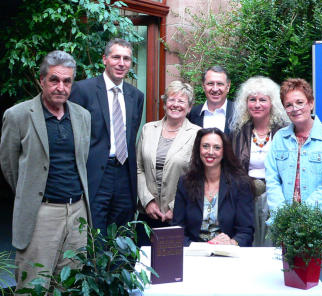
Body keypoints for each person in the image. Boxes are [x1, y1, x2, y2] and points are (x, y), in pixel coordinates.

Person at [0, 51, 91, 290]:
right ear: (42, 81)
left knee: (69, 285)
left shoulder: (83, 116)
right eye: (54, 80)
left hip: (77, 213)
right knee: (34, 285)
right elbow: (9, 166)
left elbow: (82, 161)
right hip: (41, 213)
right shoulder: (17, 115)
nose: (60, 87)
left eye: (67, 81)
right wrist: (32, 192)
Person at [265, 78, 322, 289]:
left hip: (320, 223)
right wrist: (285, 217)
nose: (295, 108)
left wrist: (302, 218)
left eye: (300, 102)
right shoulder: (279, 138)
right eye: (289, 105)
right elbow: (272, 180)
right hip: (285, 223)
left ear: (311, 103)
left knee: (317, 283)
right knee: (287, 282)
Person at [70, 38, 144, 234]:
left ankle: (119, 267)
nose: (121, 63)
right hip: (95, 174)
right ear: (104, 59)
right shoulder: (83, 90)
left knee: (121, 233)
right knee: (95, 234)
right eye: (116, 57)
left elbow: (131, 137)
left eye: (126, 59)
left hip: (124, 176)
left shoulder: (136, 96)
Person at [136, 81, 200, 245]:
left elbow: (197, 176)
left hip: (178, 216)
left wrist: (175, 207)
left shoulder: (196, 134)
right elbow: (138, 168)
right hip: (147, 214)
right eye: (172, 100)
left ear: (189, 107)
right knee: (144, 264)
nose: (176, 105)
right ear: (165, 104)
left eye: (182, 101)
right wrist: (147, 201)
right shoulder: (148, 129)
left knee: (173, 267)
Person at [229, 76, 289, 246]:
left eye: (263, 100)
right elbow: (232, 167)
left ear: (272, 103)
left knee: (273, 243)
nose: (257, 104)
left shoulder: (284, 132)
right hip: (246, 196)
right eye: (252, 99)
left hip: (277, 195)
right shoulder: (238, 131)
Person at [172, 128, 254, 246]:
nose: (210, 152)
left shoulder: (241, 184)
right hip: (194, 252)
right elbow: (177, 229)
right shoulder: (185, 182)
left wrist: (232, 242)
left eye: (217, 147)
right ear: (198, 149)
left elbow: (246, 232)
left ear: (224, 151)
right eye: (205, 146)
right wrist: (195, 247)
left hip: (227, 254)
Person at [187, 66, 234, 134]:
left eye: (220, 84)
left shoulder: (239, 112)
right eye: (210, 83)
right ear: (203, 86)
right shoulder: (192, 113)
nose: (215, 89)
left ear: (228, 86)